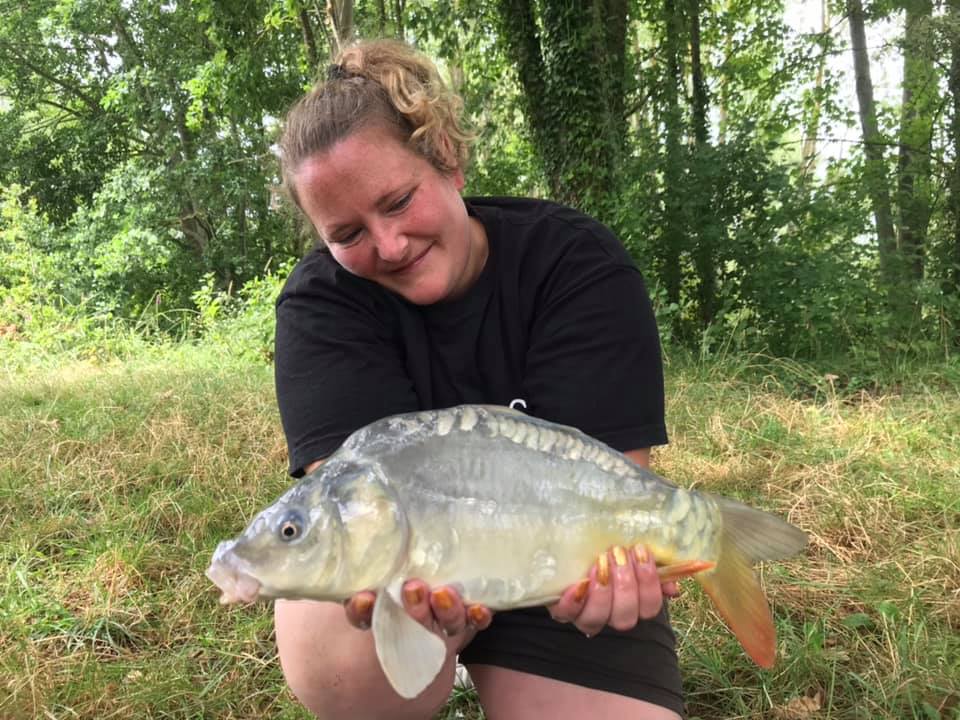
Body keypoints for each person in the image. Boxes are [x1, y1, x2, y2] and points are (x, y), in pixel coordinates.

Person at [271, 38, 683, 720]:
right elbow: (347, 509)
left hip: (548, 560)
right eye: (347, 234)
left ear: (449, 162)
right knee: (329, 625)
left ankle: (507, 663)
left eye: (398, 201)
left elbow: (611, 494)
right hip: (407, 578)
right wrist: (421, 607)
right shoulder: (322, 304)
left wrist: (601, 581)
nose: (390, 245)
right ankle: (440, 667)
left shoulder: (577, 265)